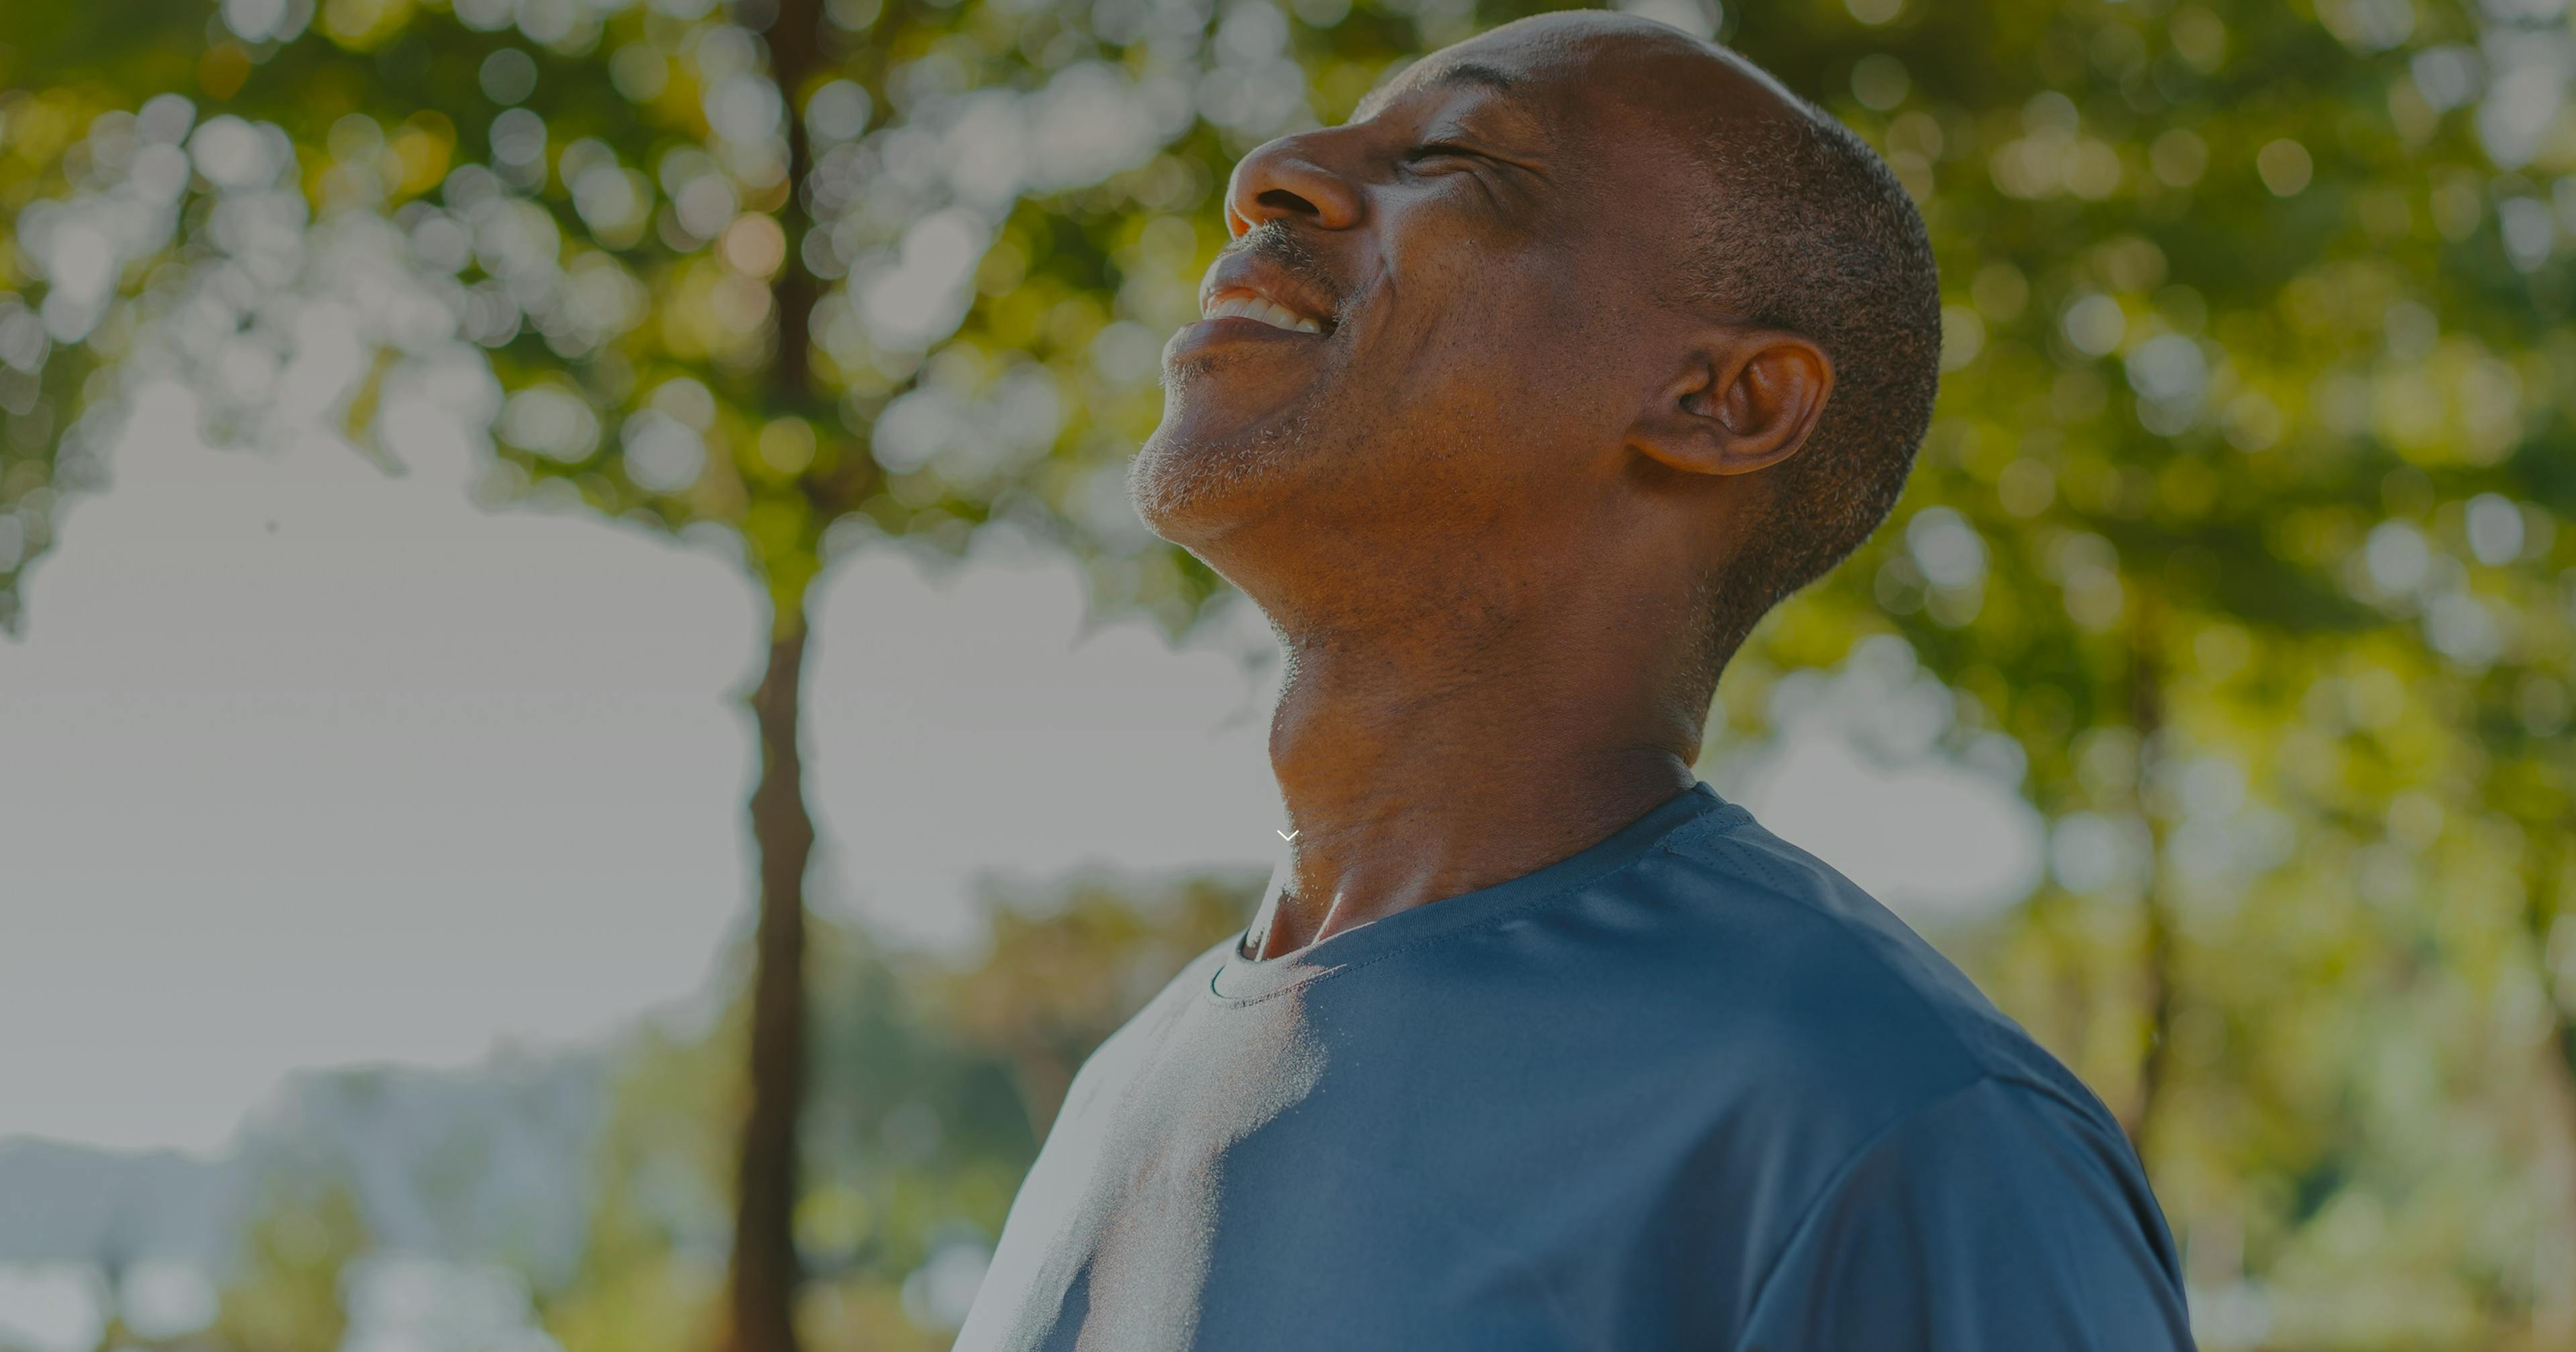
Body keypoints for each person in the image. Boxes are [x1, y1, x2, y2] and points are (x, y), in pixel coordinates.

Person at [954, 11, 2194, 1349]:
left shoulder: (1897, 1130)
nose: (1273, 167)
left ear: (1723, 401)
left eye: (1452, 158)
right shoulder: (1121, 1090)